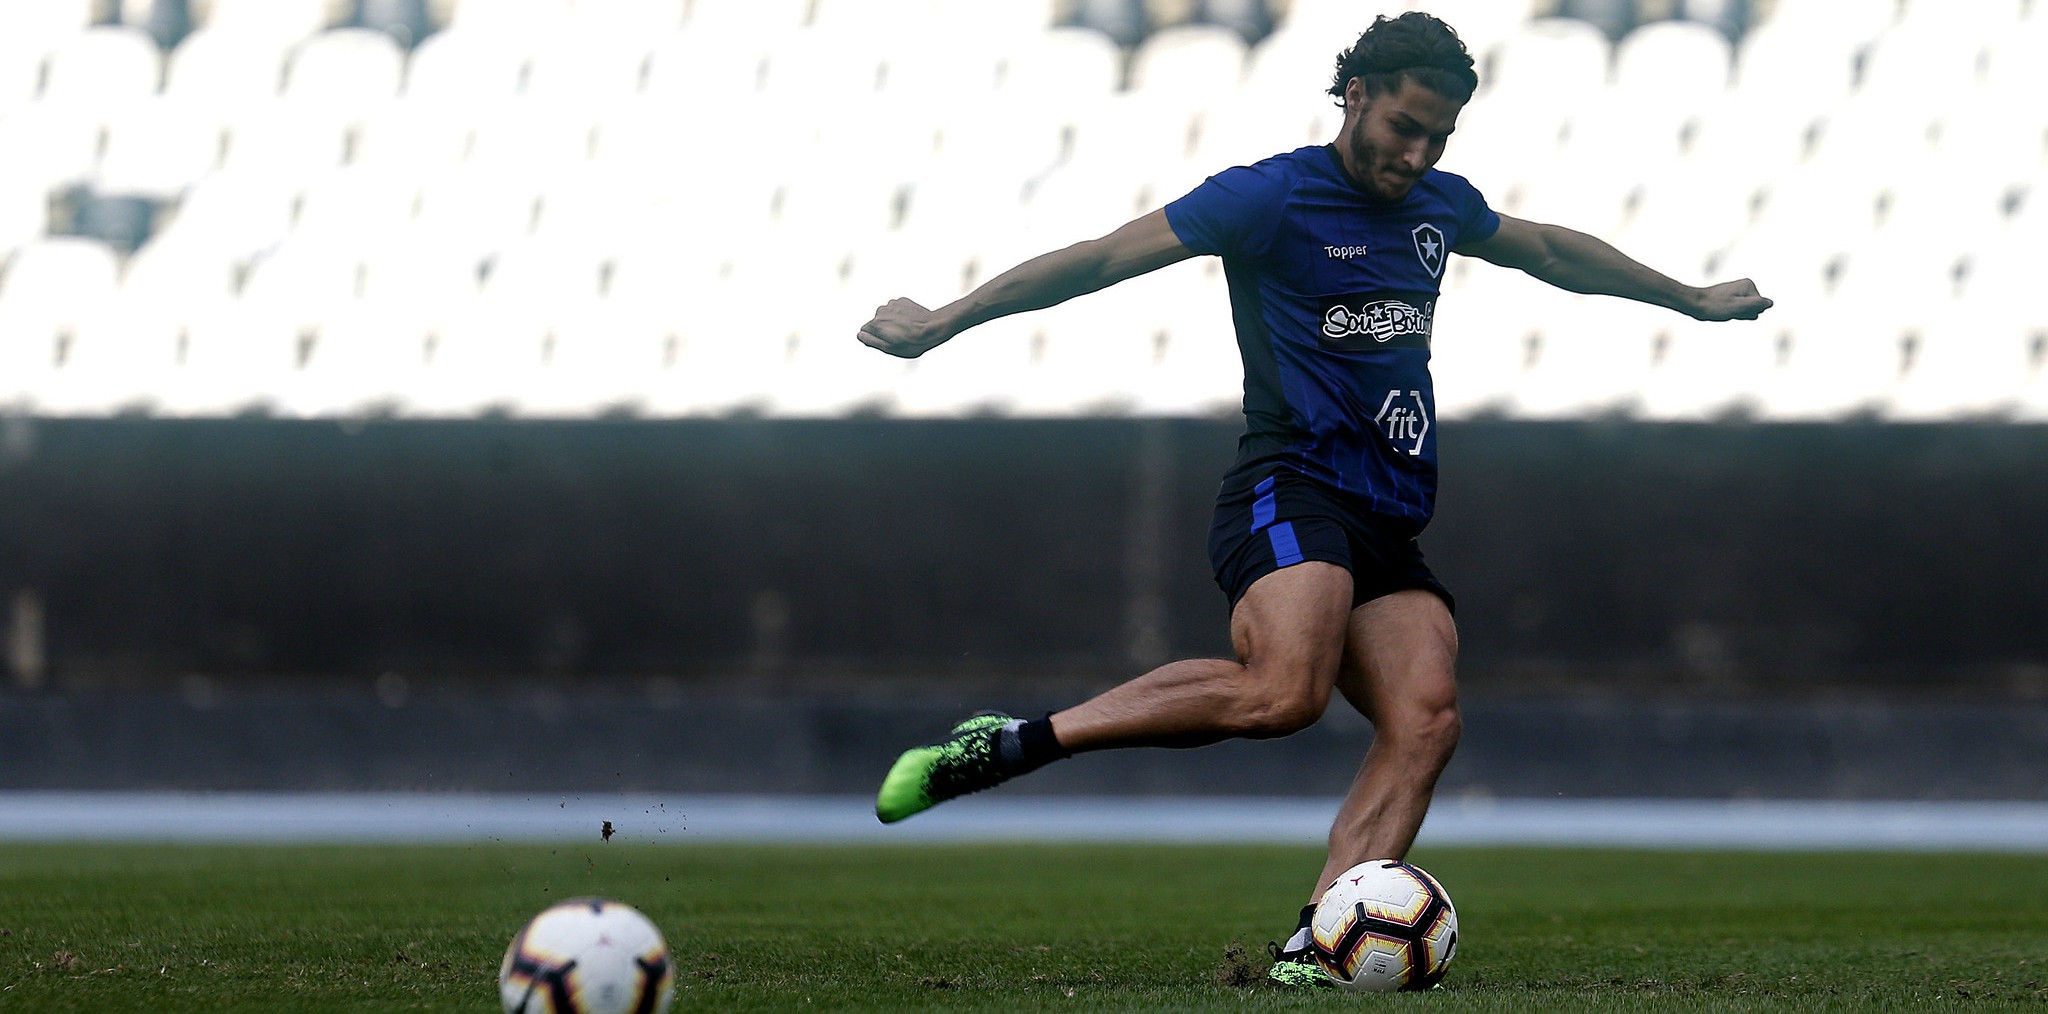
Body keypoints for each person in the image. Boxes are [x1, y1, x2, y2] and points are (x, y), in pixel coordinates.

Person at [855, 11, 1771, 988]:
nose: (1414, 155)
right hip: (1288, 484)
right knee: (1282, 694)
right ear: (1355, 98)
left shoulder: (1437, 207)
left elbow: (1546, 248)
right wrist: (948, 318)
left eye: (1437, 139)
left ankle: (1315, 942)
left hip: (1388, 516)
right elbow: (1096, 258)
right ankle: (1006, 747)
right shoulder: (1268, 197)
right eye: (1402, 130)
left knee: (1425, 720)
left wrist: (1686, 298)